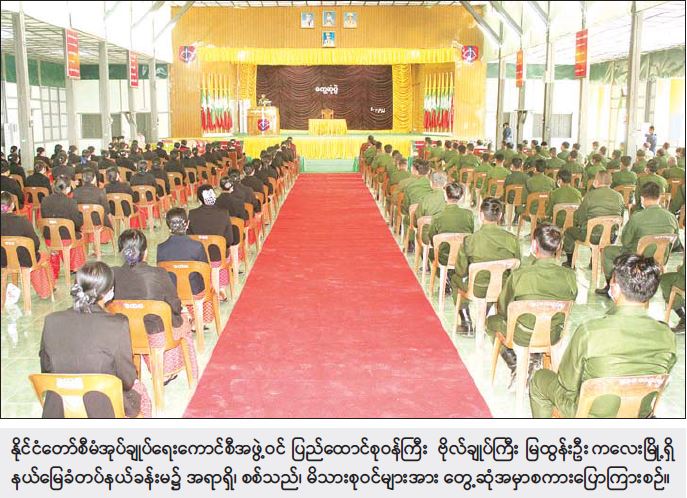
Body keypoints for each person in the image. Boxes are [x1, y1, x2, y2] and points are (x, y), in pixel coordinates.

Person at [530, 254, 677, 418]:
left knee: (539, 379)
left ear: (616, 289)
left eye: (612, 280)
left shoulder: (590, 332)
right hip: (638, 414)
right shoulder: (667, 336)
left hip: (589, 416)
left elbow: (567, 383)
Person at [38, 261, 151, 418]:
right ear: (109, 293)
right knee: (141, 393)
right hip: (105, 409)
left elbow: (46, 369)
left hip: (60, 408)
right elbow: (127, 379)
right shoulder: (117, 324)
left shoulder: (51, 320)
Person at [487, 223, 578, 388]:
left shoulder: (520, 275)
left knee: (492, 322)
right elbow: (571, 300)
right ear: (558, 247)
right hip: (553, 333)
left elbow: (504, 307)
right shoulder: (570, 276)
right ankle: (533, 359)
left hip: (523, 334)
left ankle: (516, 363)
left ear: (534, 245)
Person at [112, 229, 198, 385]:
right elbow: (174, 305)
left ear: (121, 252)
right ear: (145, 252)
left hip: (125, 333)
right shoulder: (158, 274)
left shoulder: (112, 274)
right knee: (183, 320)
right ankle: (165, 372)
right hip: (156, 333)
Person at [450, 198, 520, 334]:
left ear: (481, 215)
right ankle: (484, 317)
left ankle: (465, 321)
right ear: (500, 216)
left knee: (455, 279)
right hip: (503, 287)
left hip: (477, 288)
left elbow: (461, 270)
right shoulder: (512, 239)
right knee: (495, 283)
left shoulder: (470, 240)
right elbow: (517, 267)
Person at [598, 182, 679, 296]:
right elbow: (676, 243)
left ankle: (609, 287)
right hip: (659, 259)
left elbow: (625, 241)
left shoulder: (637, 217)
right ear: (660, 197)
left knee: (607, 251)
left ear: (642, 198)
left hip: (637, 258)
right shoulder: (672, 218)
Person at [562, 171, 624, 267]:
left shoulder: (590, 195)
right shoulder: (619, 196)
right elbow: (621, 217)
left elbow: (580, 217)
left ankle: (570, 262)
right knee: (595, 228)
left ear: (596, 181)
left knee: (570, 231)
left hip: (592, 236)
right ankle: (593, 261)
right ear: (610, 182)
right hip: (611, 237)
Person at [0, 191, 54, 300]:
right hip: (25, 260)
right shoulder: (22, 221)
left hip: (3, 261)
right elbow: (35, 243)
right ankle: (45, 291)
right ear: (12, 205)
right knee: (42, 256)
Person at [40, 175, 86, 279]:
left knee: (68, 234)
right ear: (68, 189)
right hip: (67, 239)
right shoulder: (71, 202)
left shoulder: (44, 201)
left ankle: (54, 267)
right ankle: (74, 266)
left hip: (49, 238)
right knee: (78, 235)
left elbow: (44, 217)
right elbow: (77, 223)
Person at [157, 208, 208, 296]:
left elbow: (162, 273)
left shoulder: (161, 248)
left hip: (172, 292)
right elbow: (205, 270)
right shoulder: (197, 246)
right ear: (187, 224)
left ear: (169, 227)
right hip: (195, 290)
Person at [427, 182, 474, 268]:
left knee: (430, 252)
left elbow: (432, 238)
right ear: (461, 197)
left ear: (445, 196)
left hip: (444, 257)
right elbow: (470, 234)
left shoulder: (437, 216)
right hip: (463, 256)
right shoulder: (469, 214)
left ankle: (441, 272)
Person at [73, 168, 113, 244]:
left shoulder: (75, 192)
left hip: (81, 222)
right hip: (97, 222)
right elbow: (107, 210)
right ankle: (104, 238)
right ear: (94, 179)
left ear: (82, 179)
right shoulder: (100, 192)